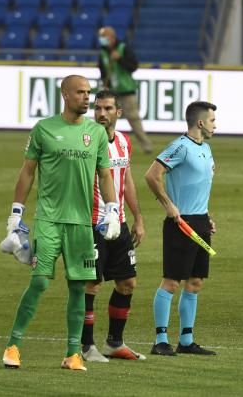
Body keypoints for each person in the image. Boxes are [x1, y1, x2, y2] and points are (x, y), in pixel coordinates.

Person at [2, 75, 122, 371]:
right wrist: (16, 214)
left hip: (82, 223)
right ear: (65, 95)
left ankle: (73, 353)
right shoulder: (44, 129)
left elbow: (105, 175)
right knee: (40, 280)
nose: (87, 98)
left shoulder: (96, 133)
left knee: (79, 287)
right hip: (49, 218)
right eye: (81, 92)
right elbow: (28, 172)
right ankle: (13, 346)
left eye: (88, 93)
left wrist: (113, 210)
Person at [145, 101, 218, 356]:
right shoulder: (180, 147)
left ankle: (186, 340)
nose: (215, 125)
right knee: (172, 282)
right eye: (212, 121)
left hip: (199, 220)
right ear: (200, 123)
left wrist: (207, 216)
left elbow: (199, 185)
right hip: (180, 222)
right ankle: (161, 340)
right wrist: (168, 205)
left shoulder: (206, 149)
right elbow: (152, 175)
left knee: (195, 282)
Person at [81, 90, 147, 362]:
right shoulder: (85, 142)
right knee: (91, 284)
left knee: (127, 283)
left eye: (107, 108)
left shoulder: (123, 141)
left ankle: (114, 343)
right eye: (97, 108)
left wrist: (138, 218)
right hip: (92, 225)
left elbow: (127, 180)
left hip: (118, 223)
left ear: (119, 112)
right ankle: (85, 347)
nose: (101, 114)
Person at [98, 26, 153, 154]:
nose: (102, 40)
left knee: (133, 118)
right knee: (107, 118)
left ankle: (146, 145)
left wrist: (120, 59)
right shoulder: (103, 53)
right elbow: (103, 70)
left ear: (111, 37)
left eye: (104, 37)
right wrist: (105, 83)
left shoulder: (123, 48)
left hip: (127, 89)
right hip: (112, 91)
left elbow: (133, 66)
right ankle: (106, 144)